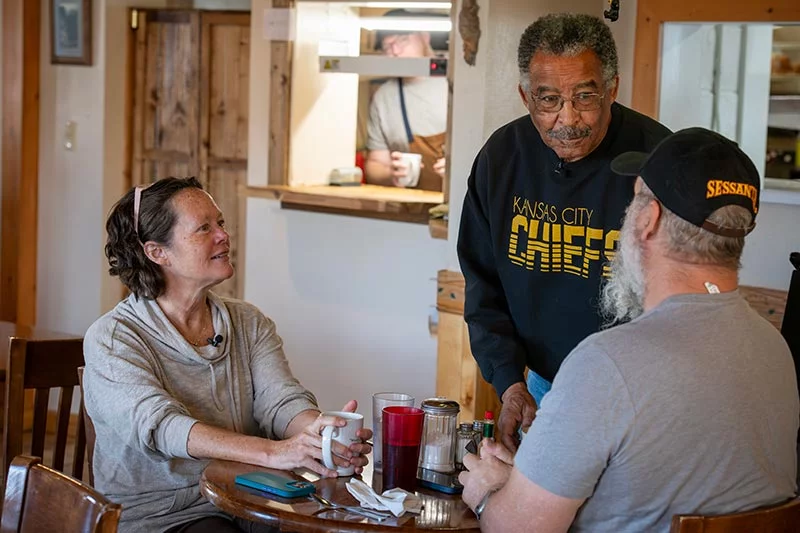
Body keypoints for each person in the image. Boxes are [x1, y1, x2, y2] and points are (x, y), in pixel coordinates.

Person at [458, 127, 800, 532]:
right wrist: (533, 481)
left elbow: (514, 529)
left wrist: (488, 494)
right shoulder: (775, 351)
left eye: (636, 198)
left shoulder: (605, 366)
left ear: (648, 220)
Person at [83, 177, 373, 533]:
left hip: (252, 500)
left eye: (219, 222)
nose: (223, 235)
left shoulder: (248, 322)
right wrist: (274, 452)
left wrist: (317, 433)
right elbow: (163, 428)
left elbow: (281, 401)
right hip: (166, 516)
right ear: (158, 253)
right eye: (204, 228)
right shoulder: (113, 338)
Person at [457, 13, 672, 452]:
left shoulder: (660, 161)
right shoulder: (502, 159)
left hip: (638, 392)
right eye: (548, 100)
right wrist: (509, 383)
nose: (567, 118)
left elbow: (679, 297)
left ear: (612, 87)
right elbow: (484, 287)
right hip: (539, 386)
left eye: (585, 96)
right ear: (525, 96)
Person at [364, 9, 448, 191]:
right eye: (387, 46)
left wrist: (461, 166)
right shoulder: (383, 97)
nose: (395, 52)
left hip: (460, 205)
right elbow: (374, 165)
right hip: (412, 209)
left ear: (424, 37)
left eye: (402, 40)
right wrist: (391, 173)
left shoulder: (457, 81)